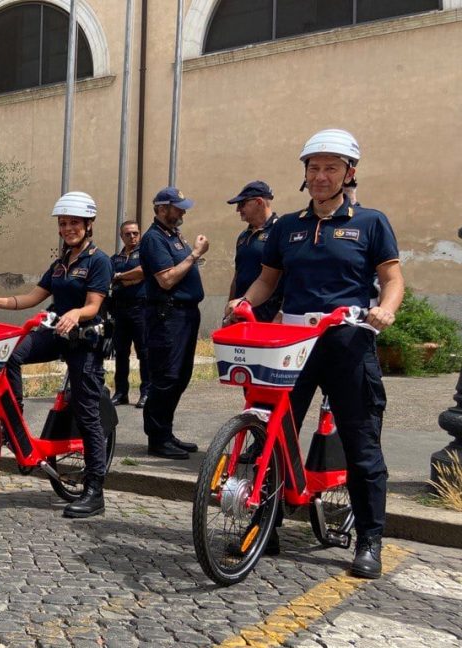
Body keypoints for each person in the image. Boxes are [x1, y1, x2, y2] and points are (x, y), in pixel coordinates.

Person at [226, 129, 403, 579]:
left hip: (347, 341)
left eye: (331, 168)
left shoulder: (371, 222)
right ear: (304, 173)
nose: (321, 176)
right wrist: (243, 301)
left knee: (361, 443)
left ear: (349, 173)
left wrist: (385, 309)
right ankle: (265, 525)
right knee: (272, 434)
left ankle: (369, 539)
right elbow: (269, 280)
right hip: (292, 345)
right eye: (313, 167)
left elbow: (392, 278)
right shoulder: (288, 226)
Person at [0, 191, 112, 518]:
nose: (68, 228)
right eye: (63, 223)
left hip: (84, 339)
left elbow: (94, 305)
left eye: (74, 223)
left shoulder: (99, 260)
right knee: (10, 354)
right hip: (56, 333)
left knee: (87, 413)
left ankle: (94, 490)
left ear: (88, 224)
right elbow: (32, 297)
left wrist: (76, 314)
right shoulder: (59, 264)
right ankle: (13, 421)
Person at [139, 187, 209, 460]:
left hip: (185, 314)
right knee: (166, 377)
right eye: (177, 207)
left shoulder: (173, 235)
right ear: (161, 209)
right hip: (168, 316)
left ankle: (165, 432)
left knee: (180, 376)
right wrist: (195, 254)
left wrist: (192, 253)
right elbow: (166, 279)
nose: (183, 211)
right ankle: (157, 438)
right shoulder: (154, 239)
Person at [227, 181, 283, 323]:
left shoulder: (281, 231)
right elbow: (237, 275)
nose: (238, 210)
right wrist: (229, 311)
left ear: (259, 202)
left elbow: (290, 277)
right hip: (240, 312)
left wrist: (282, 313)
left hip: (268, 315)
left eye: (242, 204)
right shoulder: (243, 236)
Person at [109, 220, 149, 409]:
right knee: (121, 353)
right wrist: (128, 280)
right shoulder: (115, 258)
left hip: (141, 309)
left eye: (135, 233)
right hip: (120, 310)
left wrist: (120, 276)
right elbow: (109, 278)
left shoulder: (145, 254)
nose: (132, 237)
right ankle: (121, 393)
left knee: (144, 353)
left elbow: (143, 271)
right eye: (128, 234)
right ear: (121, 236)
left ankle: (146, 393)